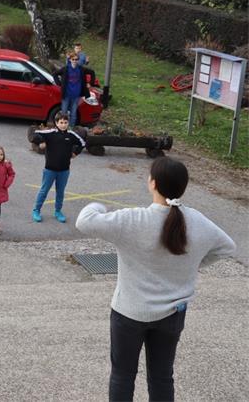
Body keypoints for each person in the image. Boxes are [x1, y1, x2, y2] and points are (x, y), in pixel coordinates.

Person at [75, 157, 236, 402]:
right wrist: (191, 264)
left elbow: (84, 221)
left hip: (129, 313)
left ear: (153, 183)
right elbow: (227, 247)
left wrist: (99, 205)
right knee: (162, 377)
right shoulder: (197, 221)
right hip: (172, 314)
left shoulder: (134, 219)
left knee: (122, 375)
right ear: (183, 187)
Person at [30, 111, 85, 223]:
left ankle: (58, 211)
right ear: (56, 123)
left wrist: (75, 152)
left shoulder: (71, 135)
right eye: (61, 122)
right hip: (50, 170)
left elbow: (82, 143)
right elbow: (33, 133)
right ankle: (36, 210)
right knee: (44, 191)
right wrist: (41, 142)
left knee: (60, 192)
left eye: (65, 122)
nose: (63, 125)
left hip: (64, 171)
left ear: (68, 123)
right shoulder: (50, 133)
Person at [54, 52, 90, 126]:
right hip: (66, 95)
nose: (74, 61)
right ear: (70, 60)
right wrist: (59, 83)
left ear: (78, 60)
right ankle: (62, 128)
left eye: (76, 59)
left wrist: (90, 83)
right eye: (73, 59)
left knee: (73, 114)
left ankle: (71, 129)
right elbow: (55, 74)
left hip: (76, 95)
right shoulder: (66, 69)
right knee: (64, 113)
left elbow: (92, 72)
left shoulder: (80, 69)